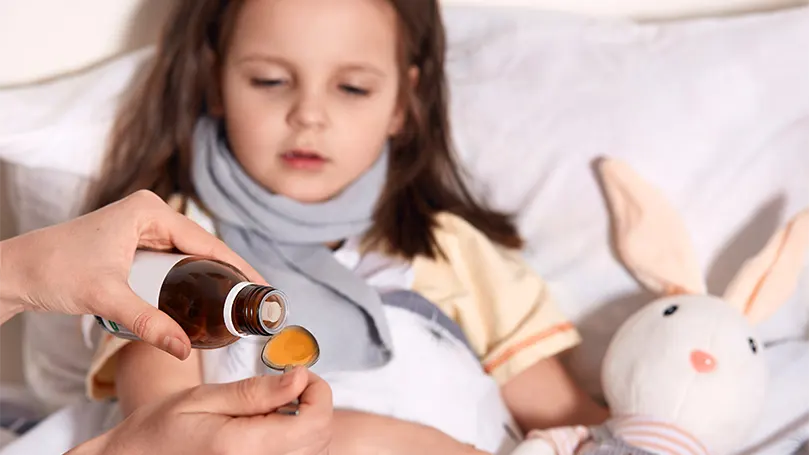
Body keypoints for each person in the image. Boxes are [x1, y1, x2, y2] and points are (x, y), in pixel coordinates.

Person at [45, 0, 610, 453]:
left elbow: (575, 424)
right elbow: (165, 434)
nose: (309, 114)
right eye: (269, 80)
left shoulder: (452, 253)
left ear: (403, 104)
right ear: (216, 83)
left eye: (352, 88)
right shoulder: (164, 242)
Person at [0, 190, 332, 455]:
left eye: (354, 98)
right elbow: (160, 411)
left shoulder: (381, 268)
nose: (308, 117)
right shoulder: (180, 227)